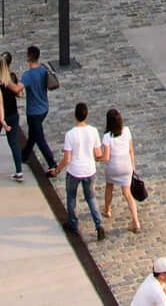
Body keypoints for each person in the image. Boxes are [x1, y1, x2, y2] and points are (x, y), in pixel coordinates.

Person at [59, 102, 106, 238]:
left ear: (75, 115)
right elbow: (98, 154)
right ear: (87, 115)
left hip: (74, 171)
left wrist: (57, 170)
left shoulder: (70, 134)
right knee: (91, 198)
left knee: (71, 197)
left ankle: (73, 223)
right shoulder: (93, 131)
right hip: (89, 170)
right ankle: (99, 225)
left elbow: (67, 158)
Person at [15, 45, 58, 176]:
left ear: (29, 57)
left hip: (33, 112)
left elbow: (18, 89)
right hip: (44, 108)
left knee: (39, 139)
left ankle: (52, 164)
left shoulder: (27, 75)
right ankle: (25, 155)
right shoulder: (43, 69)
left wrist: (8, 82)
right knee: (34, 134)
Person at [100, 107, 140, 235]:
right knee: (128, 194)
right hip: (126, 166)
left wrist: (96, 158)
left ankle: (107, 210)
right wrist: (133, 167)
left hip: (113, 167)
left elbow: (106, 157)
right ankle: (136, 221)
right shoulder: (127, 131)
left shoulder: (107, 137)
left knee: (109, 186)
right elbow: (131, 150)